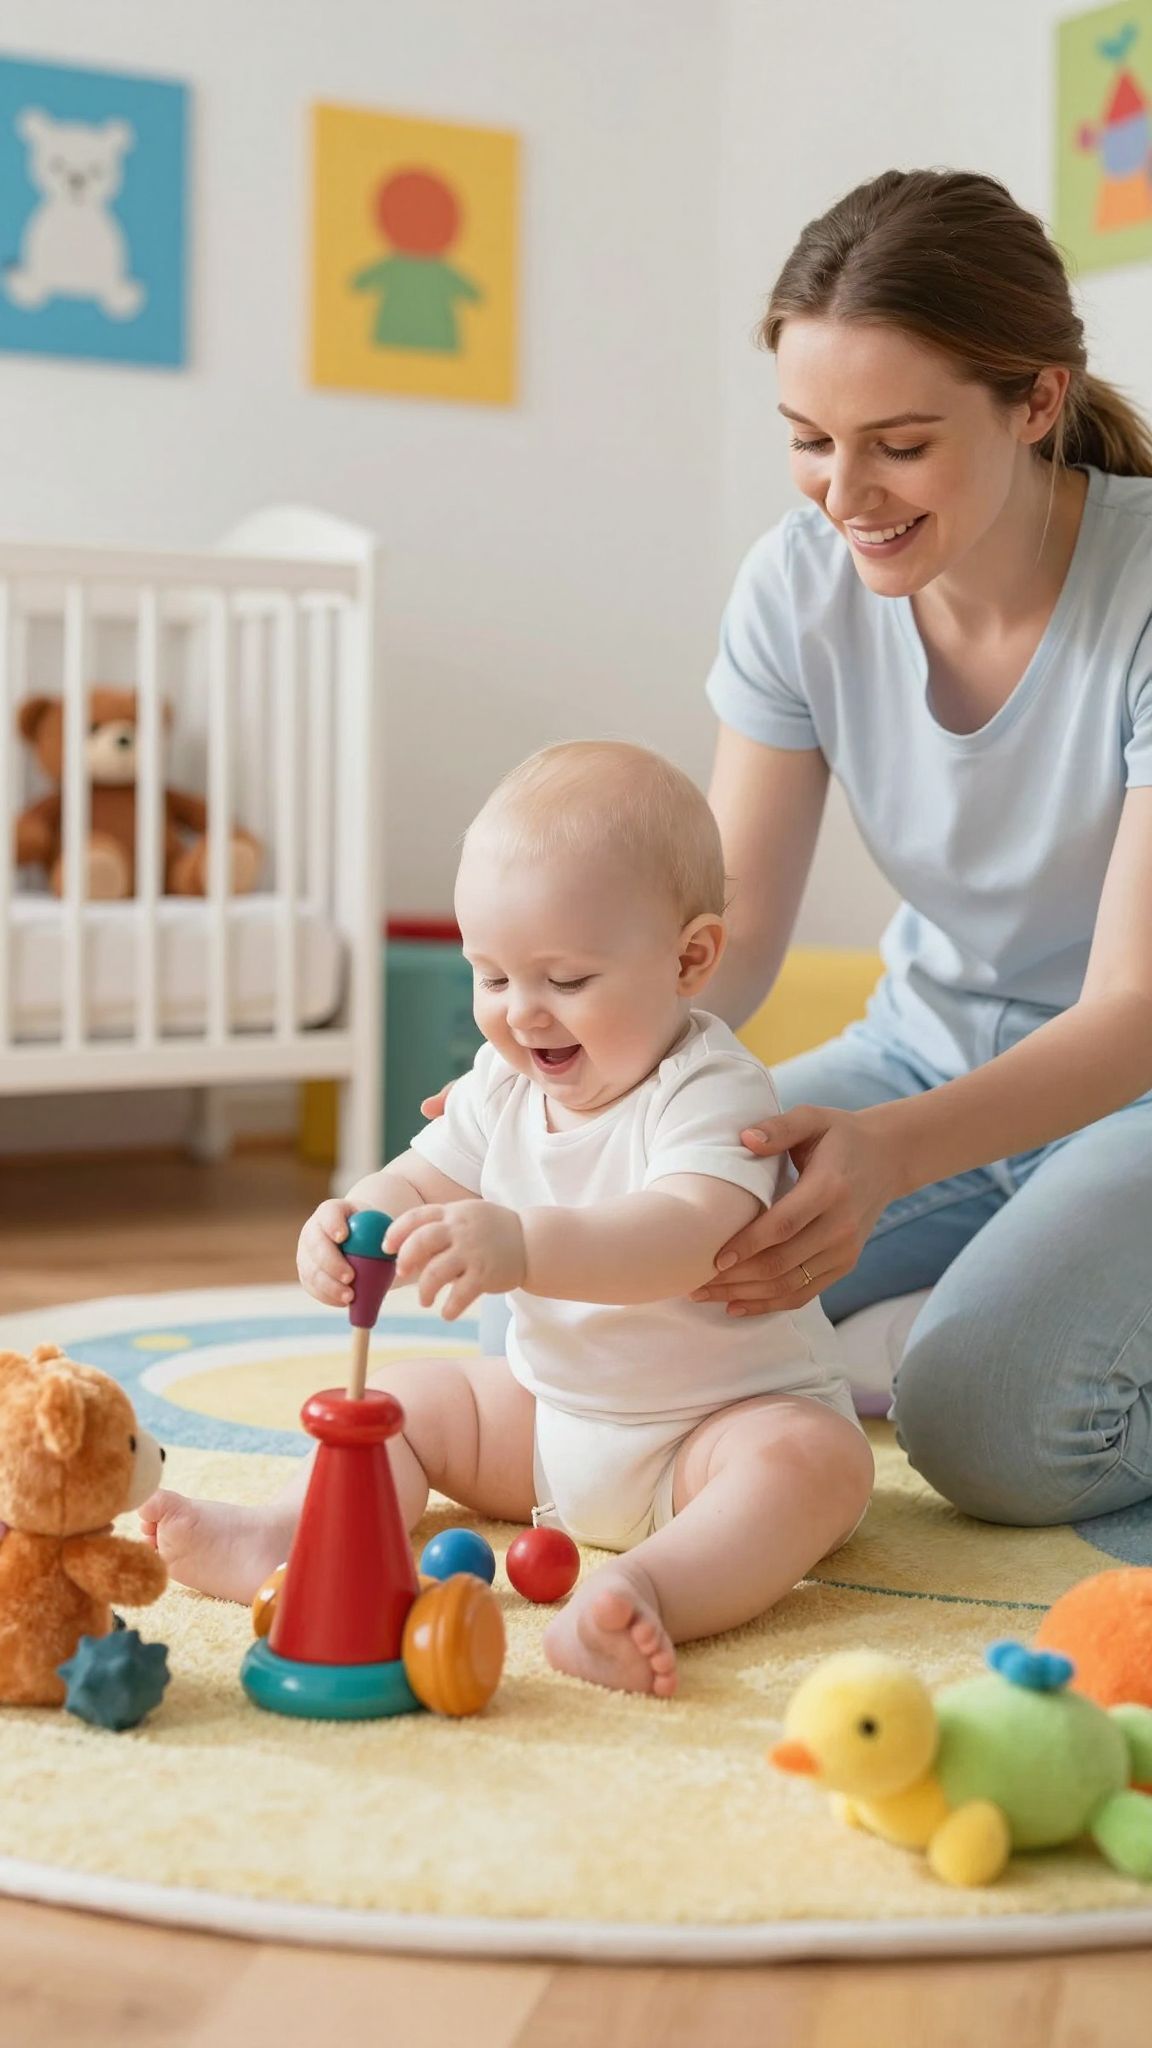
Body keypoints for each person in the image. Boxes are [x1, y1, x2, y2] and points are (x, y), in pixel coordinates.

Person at [142, 743, 872, 1696]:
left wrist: (521, 1244)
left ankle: (647, 1592)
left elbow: (683, 1233)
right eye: (491, 978)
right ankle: (290, 1533)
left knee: (812, 1466)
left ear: (690, 958)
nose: (523, 1015)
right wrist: (355, 1219)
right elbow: (424, 1175)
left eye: (565, 981)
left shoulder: (715, 1089)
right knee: (407, 1401)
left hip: (712, 1431)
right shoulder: (503, 1082)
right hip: (549, 1428)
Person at [691, 167, 1152, 1531]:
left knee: (994, 1430)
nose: (846, 494)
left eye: (898, 443)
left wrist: (889, 1156)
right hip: (922, 1052)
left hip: (1132, 1095)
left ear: (1036, 402)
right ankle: (966, 1291)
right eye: (809, 440)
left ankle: (984, 1317)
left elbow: (1133, 1018)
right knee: (594, 1306)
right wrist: (565, 1089)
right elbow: (729, 939)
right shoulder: (795, 585)